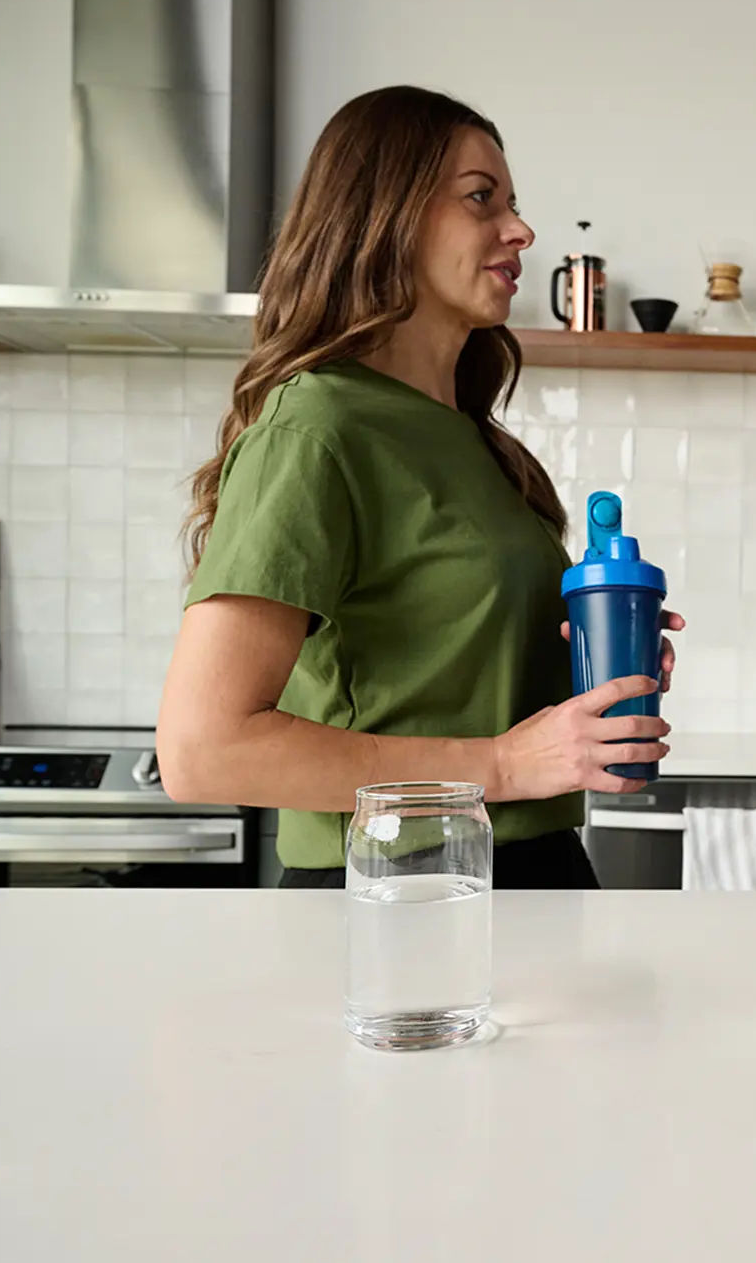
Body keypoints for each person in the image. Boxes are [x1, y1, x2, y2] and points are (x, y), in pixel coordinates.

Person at [158, 86, 678, 888]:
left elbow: (446, 666)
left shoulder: (476, 438)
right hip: (401, 890)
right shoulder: (320, 428)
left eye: (513, 203)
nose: (521, 230)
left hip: (534, 867)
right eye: (482, 199)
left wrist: (585, 661)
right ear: (386, 214)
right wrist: (504, 764)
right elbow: (203, 750)